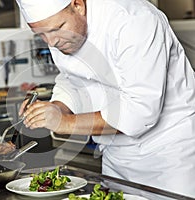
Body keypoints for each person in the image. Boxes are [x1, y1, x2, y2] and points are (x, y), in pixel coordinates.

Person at [16, 0, 195, 198]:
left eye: (58, 28)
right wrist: (58, 107)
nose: (51, 42)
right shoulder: (57, 35)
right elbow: (73, 78)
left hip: (170, 155)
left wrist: (65, 123)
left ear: (78, 5)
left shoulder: (133, 20)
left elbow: (139, 111)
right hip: (116, 156)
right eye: (41, 34)